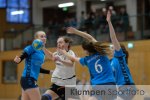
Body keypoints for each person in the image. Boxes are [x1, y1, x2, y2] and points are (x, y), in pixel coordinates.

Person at [58, 27, 117, 100]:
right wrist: (76, 31)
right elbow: (90, 38)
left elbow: (73, 58)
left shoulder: (86, 60)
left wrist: (63, 52)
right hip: (110, 84)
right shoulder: (102, 52)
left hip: (97, 86)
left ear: (86, 51)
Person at [14, 31, 52, 100]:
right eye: (41, 36)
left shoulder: (42, 52)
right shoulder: (32, 47)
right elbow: (22, 56)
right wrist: (18, 59)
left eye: (45, 36)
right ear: (36, 39)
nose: (44, 38)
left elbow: (37, 68)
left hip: (28, 79)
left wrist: (50, 72)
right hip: (28, 79)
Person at [106, 10, 135, 100]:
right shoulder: (110, 62)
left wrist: (109, 22)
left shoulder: (119, 56)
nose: (111, 47)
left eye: (112, 47)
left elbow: (113, 38)